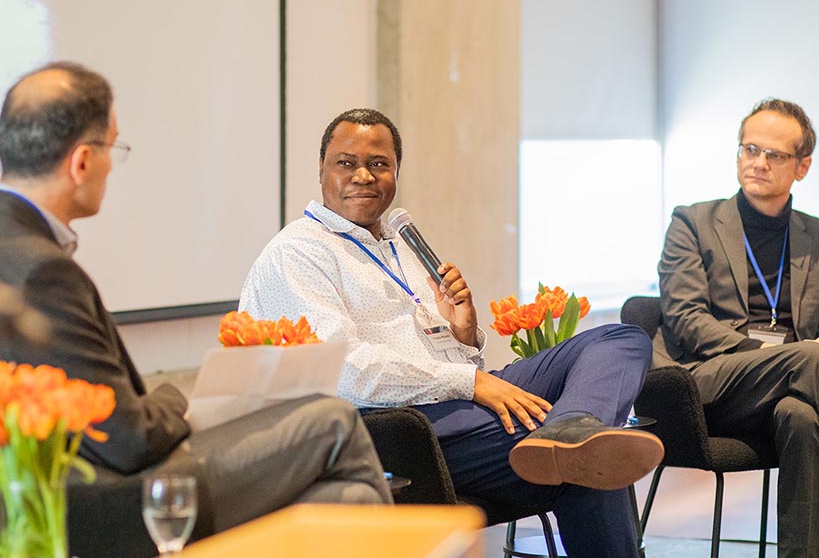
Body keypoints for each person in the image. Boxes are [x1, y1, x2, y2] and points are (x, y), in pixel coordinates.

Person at [239, 107, 665, 557]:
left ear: (397, 173)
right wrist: (471, 380)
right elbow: (347, 374)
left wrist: (463, 337)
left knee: (620, 339)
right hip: (395, 430)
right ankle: (570, 438)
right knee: (591, 463)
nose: (363, 175)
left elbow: (445, 363)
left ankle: (571, 427)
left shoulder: (396, 244)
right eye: (346, 163)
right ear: (321, 171)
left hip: (452, 403)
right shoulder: (298, 254)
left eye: (379, 164)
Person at [0, 63, 392, 545]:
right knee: (333, 420)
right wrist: (182, 397)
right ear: (82, 161)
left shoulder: (13, 244)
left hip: (82, 485)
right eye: (113, 149)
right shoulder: (42, 270)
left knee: (345, 499)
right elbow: (127, 440)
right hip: (106, 505)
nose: (110, 167)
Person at [657, 98, 819, 557]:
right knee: (811, 357)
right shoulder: (693, 222)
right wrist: (772, 357)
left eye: (774, 155)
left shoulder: (817, 237)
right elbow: (687, 320)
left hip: (798, 386)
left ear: (802, 166)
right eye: (750, 149)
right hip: (710, 381)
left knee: (802, 417)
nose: (758, 163)